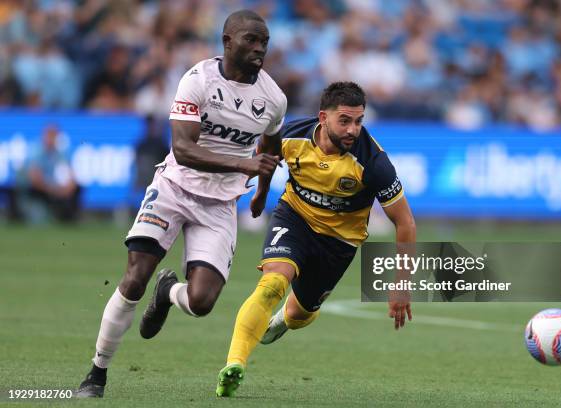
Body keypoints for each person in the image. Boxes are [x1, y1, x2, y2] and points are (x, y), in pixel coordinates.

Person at [76, 9, 287, 398]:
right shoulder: (197, 80)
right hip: (174, 187)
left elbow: (271, 148)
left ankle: (168, 294)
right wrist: (245, 164)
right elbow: (184, 149)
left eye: (264, 43)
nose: (259, 49)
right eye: (251, 40)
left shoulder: (273, 98)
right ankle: (96, 373)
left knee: (202, 301)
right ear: (227, 42)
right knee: (135, 276)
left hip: (220, 204)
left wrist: (259, 191)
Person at [216, 81, 416, 397]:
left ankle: (282, 320)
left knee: (299, 314)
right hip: (294, 217)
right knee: (272, 284)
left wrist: (402, 283)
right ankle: (234, 364)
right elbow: (267, 154)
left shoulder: (374, 162)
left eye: (359, 121)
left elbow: (405, 222)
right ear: (323, 117)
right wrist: (262, 192)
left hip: (339, 242)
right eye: (345, 121)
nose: (353, 129)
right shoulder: (293, 134)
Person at [16, 124, 80, 223]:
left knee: (77, 190)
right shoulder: (36, 150)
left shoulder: (61, 152)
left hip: (51, 190)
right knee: (40, 221)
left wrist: (67, 188)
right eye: (50, 135)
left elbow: (71, 175)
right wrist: (55, 191)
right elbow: (35, 179)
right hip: (35, 193)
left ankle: (68, 217)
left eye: (54, 136)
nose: (52, 139)